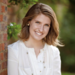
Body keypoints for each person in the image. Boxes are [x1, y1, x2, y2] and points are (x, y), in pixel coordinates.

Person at [7, 2, 62, 75]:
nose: (41, 29)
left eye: (46, 25)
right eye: (38, 22)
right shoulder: (14, 50)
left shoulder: (54, 52)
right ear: (29, 21)